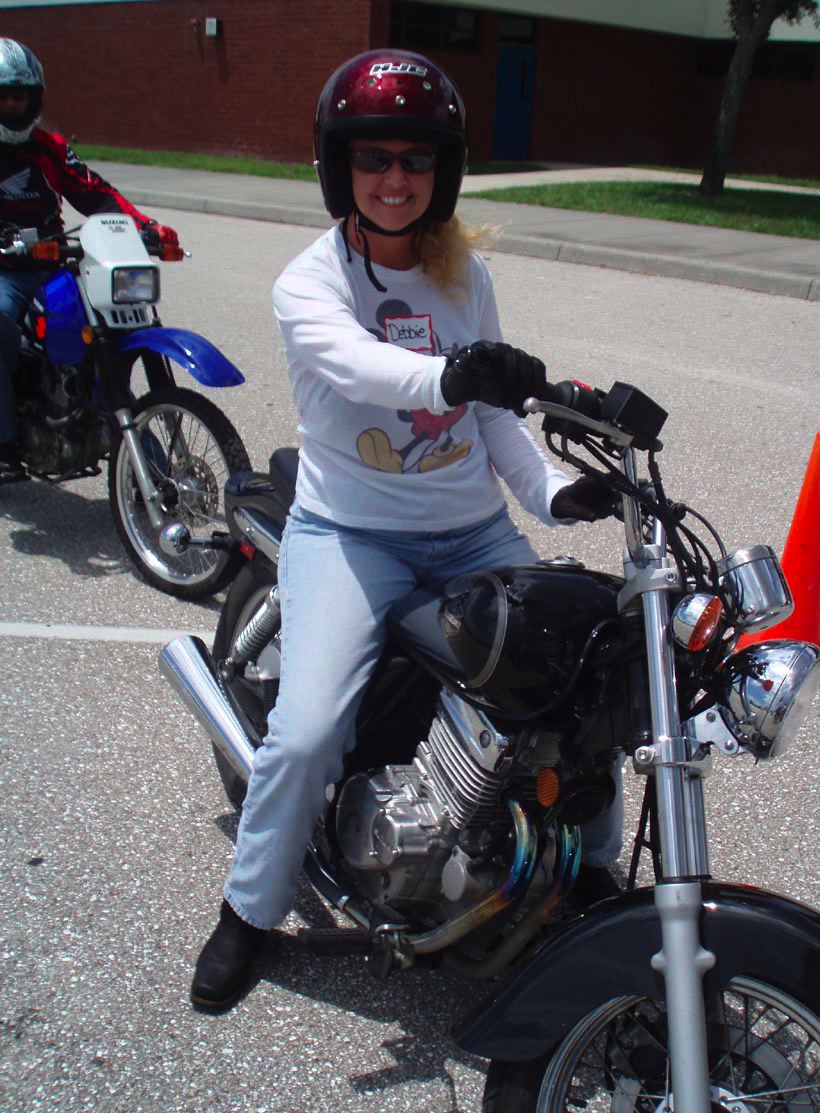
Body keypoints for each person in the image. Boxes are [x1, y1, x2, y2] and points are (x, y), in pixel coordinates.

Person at [191, 48, 623, 1011]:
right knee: (309, 733)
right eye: (374, 157)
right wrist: (454, 374)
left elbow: (496, 423)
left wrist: (555, 495)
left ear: (445, 170)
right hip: (352, 536)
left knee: (581, 681)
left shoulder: (462, 275)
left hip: (473, 532)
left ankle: (593, 874)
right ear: (338, 166)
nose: (396, 178)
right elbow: (359, 367)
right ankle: (249, 911)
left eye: (417, 158)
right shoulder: (309, 282)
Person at [0, 37, 179, 480]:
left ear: (34, 98)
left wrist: (146, 227)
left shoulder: (50, 148)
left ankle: (106, 419)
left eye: (19, 95)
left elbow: (96, 194)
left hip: (51, 263)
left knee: (104, 326)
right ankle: (3, 440)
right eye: (3, 95)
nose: (11, 104)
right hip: (6, 272)